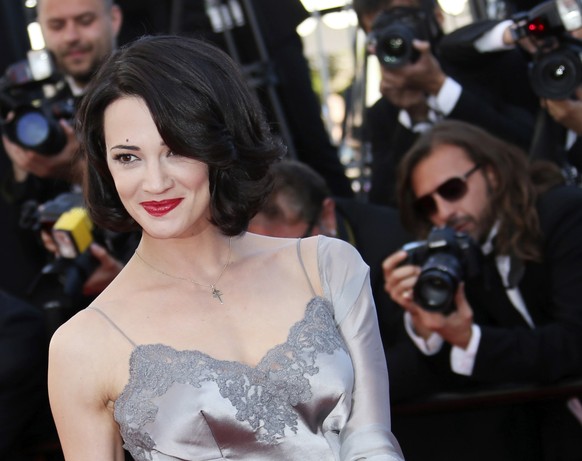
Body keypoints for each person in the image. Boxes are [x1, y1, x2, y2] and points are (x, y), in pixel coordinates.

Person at [47, 35, 405, 460]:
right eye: (128, 157)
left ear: (222, 147)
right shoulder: (83, 344)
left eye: (176, 150)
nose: (155, 182)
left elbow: (372, 440)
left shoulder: (326, 266)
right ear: (104, 165)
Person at [382, 119, 582, 460]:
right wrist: (424, 324)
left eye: (452, 189)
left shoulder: (563, 213)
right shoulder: (465, 252)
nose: (444, 212)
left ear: (492, 174)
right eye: (427, 206)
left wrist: (469, 339)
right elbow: (455, 372)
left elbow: (574, 342)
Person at [351, 0, 538, 206]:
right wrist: (414, 117)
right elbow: (385, 204)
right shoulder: (383, 113)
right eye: (382, 33)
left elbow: (531, 149)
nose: (396, 40)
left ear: (437, 17)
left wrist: (441, 88)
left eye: (404, 22)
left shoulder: (491, 65)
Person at [0, 0, 126, 304]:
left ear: (114, 18)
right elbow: (21, 224)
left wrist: (77, 167)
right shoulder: (34, 101)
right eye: (57, 25)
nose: (71, 36)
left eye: (84, 21)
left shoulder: (150, 91)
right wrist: (22, 175)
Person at [248, 160, 414, 372]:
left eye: (293, 250)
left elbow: (413, 361)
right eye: (262, 252)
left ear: (327, 215)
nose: (276, 268)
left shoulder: (391, 246)